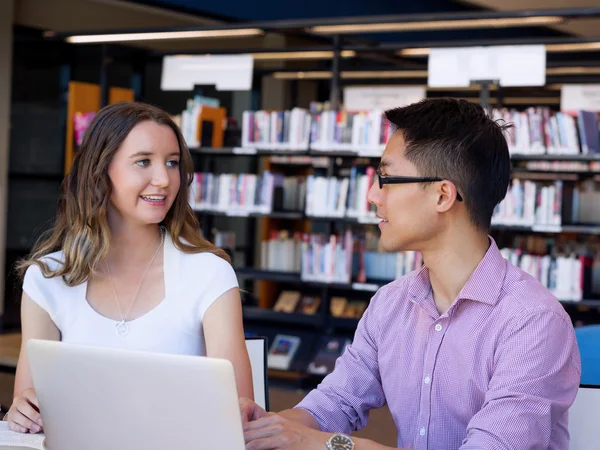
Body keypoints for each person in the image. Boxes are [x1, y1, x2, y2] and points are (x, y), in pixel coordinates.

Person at [240, 98, 581, 450]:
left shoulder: (533, 323)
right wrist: (265, 428)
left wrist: (332, 445)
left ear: (442, 195)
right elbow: (334, 403)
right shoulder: (391, 303)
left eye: (385, 178)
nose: (373, 195)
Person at [6, 101, 254, 434]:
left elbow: (239, 414)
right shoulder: (48, 279)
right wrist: (22, 414)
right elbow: (30, 410)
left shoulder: (209, 274)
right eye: (143, 162)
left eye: (172, 163)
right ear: (100, 169)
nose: (163, 179)